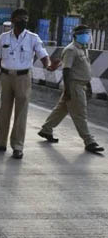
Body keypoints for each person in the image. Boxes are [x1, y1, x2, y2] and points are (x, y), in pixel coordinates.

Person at [0, 8, 51, 159]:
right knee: (4, 111)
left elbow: (43, 55)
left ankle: (17, 146)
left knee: (21, 113)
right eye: (20, 18)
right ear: (13, 20)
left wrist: (48, 65)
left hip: (23, 78)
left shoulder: (33, 38)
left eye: (25, 19)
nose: (23, 21)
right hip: (6, 77)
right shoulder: (4, 37)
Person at [38, 25, 104, 153]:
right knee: (80, 113)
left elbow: (85, 68)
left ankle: (46, 129)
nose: (86, 36)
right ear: (76, 36)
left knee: (61, 109)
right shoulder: (71, 50)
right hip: (74, 86)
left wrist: (88, 85)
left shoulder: (83, 49)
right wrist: (68, 90)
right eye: (84, 33)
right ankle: (89, 141)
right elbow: (66, 71)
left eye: (87, 33)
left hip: (80, 85)